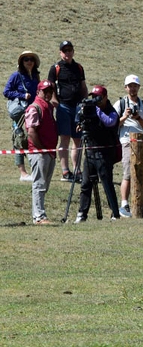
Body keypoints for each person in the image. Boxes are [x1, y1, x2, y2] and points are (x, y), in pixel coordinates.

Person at [74, 85, 120, 222]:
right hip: (90, 150)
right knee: (85, 183)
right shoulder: (89, 109)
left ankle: (115, 213)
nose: (94, 100)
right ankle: (82, 214)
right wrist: (80, 122)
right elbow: (79, 118)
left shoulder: (110, 111)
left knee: (107, 183)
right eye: (93, 97)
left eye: (98, 97)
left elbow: (110, 122)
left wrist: (97, 110)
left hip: (105, 152)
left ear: (105, 97)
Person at [113, 74, 143, 218]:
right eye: (130, 86)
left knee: (141, 174)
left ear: (139, 87)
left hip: (142, 141)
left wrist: (138, 118)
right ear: (125, 88)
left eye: (135, 86)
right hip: (126, 141)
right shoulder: (120, 104)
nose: (132, 89)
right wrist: (124, 116)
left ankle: (141, 205)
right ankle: (124, 204)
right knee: (128, 174)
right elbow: (112, 124)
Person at [48, 40, 88, 182]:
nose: (67, 53)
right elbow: (51, 87)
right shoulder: (56, 68)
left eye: (70, 50)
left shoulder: (79, 68)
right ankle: (65, 171)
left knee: (77, 139)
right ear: (60, 52)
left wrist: (85, 103)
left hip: (77, 107)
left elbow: (83, 86)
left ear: (73, 51)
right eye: (65, 51)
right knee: (64, 138)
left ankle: (77, 170)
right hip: (63, 107)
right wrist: (55, 102)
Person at [4, 51, 41, 182]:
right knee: (19, 140)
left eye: (31, 59)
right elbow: (6, 91)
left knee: (32, 139)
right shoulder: (16, 75)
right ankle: (23, 173)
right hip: (20, 113)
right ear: (22, 62)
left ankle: (35, 171)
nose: (29, 61)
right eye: (26, 59)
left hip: (33, 112)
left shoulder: (36, 76)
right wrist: (22, 96)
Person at [25, 80, 59, 225]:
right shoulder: (34, 107)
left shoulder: (49, 107)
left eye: (50, 91)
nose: (48, 93)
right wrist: (41, 150)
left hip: (49, 152)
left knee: (44, 185)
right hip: (39, 152)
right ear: (38, 91)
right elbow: (31, 132)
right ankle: (38, 216)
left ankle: (40, 213)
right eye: (45, 91)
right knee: (39, 184)